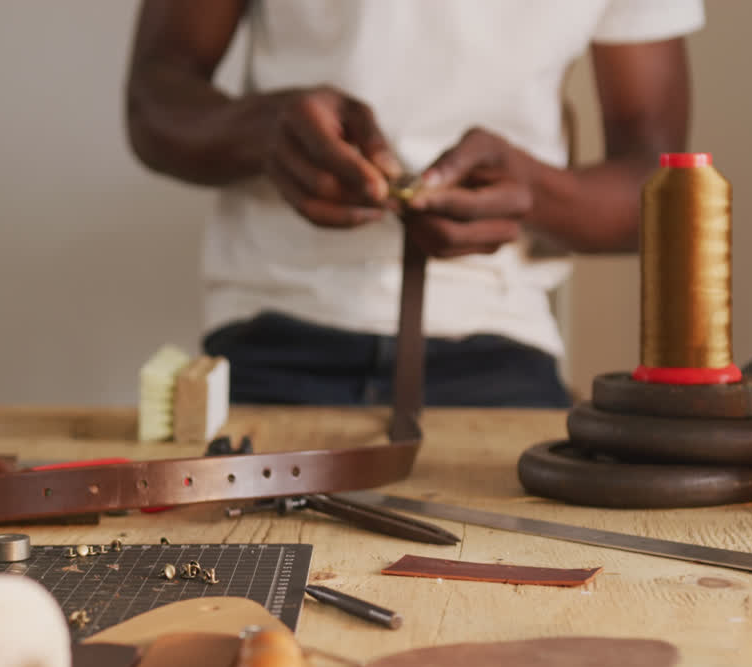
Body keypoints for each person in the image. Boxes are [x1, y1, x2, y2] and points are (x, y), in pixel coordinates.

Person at [124, 0, 704, 408]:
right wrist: (265, 132)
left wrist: (531, 195)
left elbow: (656, 192)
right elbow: (153, 99)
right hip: (270, 334)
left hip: (501, 342)